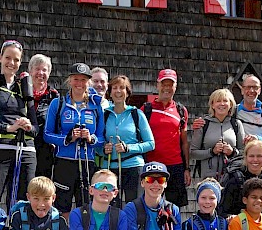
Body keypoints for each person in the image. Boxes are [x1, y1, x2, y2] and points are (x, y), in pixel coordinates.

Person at [0, 39, 38, 206]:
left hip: (25, 151)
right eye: (8, 58)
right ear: (0, 58)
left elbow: (36, 129)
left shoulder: (25, 89)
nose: (12, 63)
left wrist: (27, 126)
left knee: (24, 202)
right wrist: (8, 128)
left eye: (17, 60)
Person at [44, 63, 105, 214]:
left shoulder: (96, 106)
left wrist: (91, 139)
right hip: (64, 162)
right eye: (76, 79)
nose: (79, 83)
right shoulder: (58, 103)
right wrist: (67, 138)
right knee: (61, 207)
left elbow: (102, 138)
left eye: (83, 80)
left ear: (88, 82)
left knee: (86, 207)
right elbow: (47, 134)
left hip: (87, 162)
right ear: (69, 81)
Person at [100, 75, 155, 204]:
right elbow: (98, 142)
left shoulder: (137, 114)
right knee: (111, 208)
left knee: (134, 207)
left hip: (133, 167)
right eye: (114, 88)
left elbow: (151, 144)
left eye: (122, 88)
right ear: (110, 92)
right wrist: (103, 149)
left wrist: (128, 148)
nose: (118, 91)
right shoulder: (105, 115)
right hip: (110, 168)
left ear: (127, 92)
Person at [142, 69, 191, 208]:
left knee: (174, 210)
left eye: (171, 85)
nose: (167, 88)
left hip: (175, 166)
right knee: (151, 207)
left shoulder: (181, 110)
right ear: (157, 85)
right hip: (152, 165)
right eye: (164, 84)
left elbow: (184, 142)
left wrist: (186, 169)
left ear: (175, 87)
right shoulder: (146, 109)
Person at [190, 88, 244, 180]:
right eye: (218, 101)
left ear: (230, 105)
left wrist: (233, 152)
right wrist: (211, 152)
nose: (222, 104)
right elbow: (192, 153)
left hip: (231, 176)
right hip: (208, 177)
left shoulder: (236, 124)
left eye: (225, 101)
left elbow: (244, 152)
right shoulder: (203, 124)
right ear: (212, 105)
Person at [218, 139, 262, 217]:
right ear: (245, 157)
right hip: (238, 223)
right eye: (251, 156)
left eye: (259, 156)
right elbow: (223, 210)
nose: (255, 160)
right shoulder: (235, 178)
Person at [28, 54, 60, 179]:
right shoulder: (21, 92)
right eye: (37, 69)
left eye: (44, 70)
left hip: (45, 150)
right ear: (30, 71)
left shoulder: (54, 97)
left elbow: (58, 123)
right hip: (24, 146)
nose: (40, 73)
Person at [236, 74, 262, 148]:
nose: (251, 91)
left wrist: (258, 139)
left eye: (255, 87)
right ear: (242, 90)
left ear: (259, 91)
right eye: (248, 87)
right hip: (238, 157)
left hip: (259, 157)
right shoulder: (233, 112)